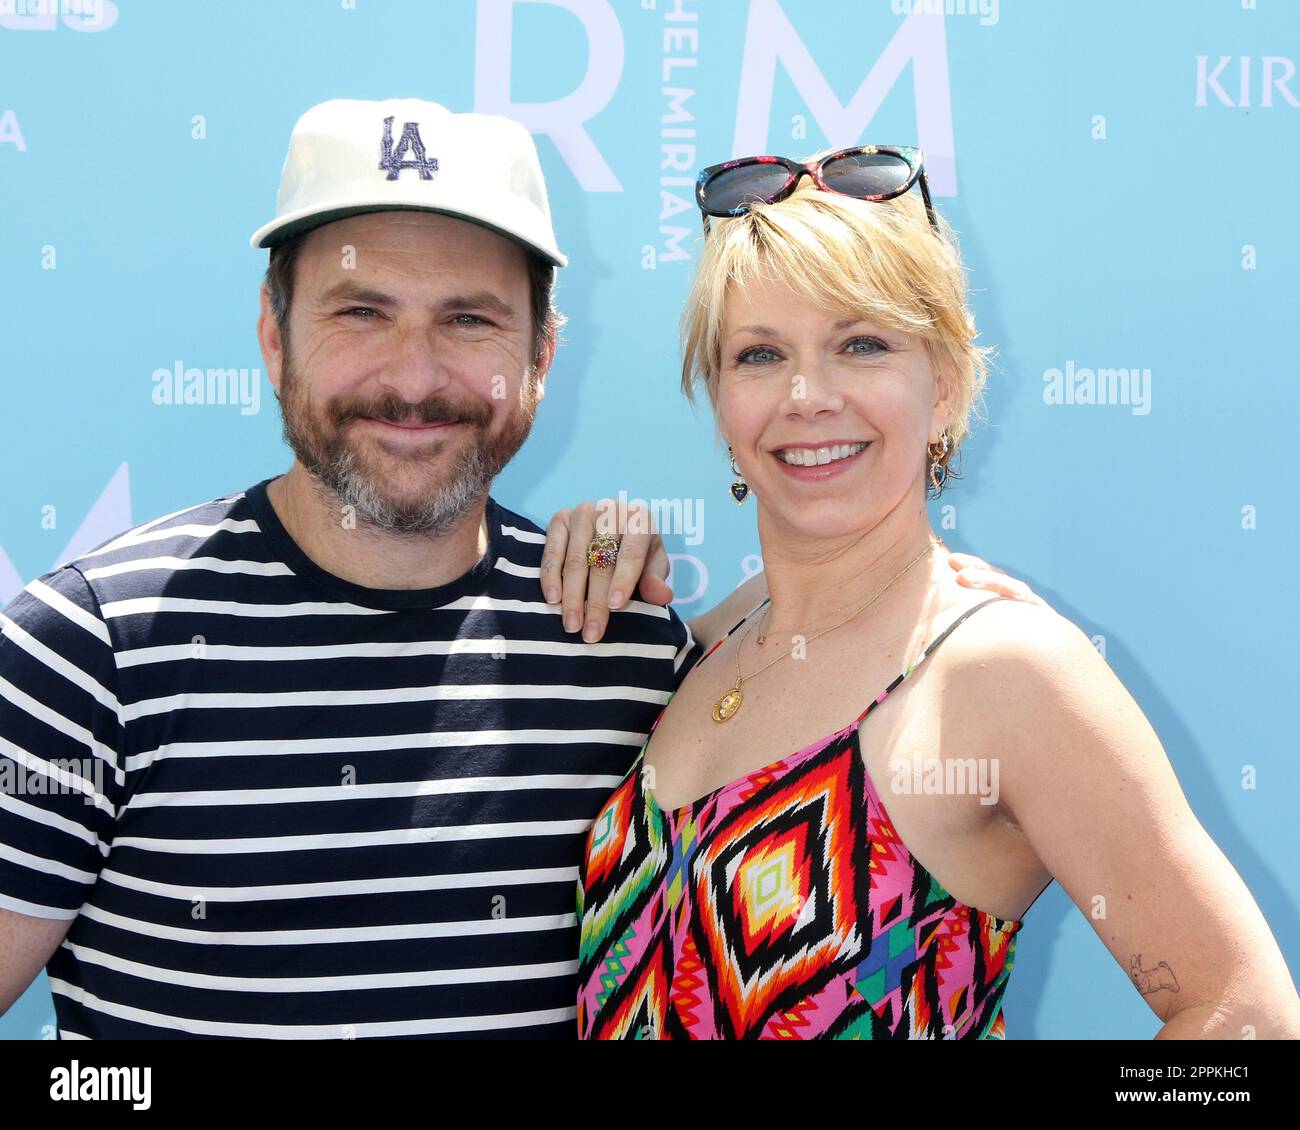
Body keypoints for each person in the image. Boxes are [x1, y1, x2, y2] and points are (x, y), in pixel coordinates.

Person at [0, 102, 1029, 1040]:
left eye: (469, 319)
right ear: (275, 338)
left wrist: (937, 607)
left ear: (543, 352)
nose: (414, 376)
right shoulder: (90, 649)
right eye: (360, 312)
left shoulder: (623, 649)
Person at [544, 147, 1300, 1039]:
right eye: (759, 354)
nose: (808, 395)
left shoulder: (1000, 668)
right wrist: (600, 535)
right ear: (719, 399)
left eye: (862, 344)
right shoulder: (708, 639)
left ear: (942, 387)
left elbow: (1243, 1015)